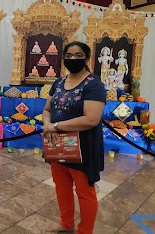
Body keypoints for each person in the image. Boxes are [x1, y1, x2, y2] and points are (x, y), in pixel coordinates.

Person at [42, 41, 106, 234]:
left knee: (85, 191)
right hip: (57, 144)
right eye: (69, 55)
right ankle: (66, 222)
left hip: (82, 147)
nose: (73, 59)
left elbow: (91, 119)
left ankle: (84, 231)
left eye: (78, 55)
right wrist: (47, 124)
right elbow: (47, 109)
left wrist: (56, 126)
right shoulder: (59, 82)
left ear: (86, 58)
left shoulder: (94, 84)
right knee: (61, 186)